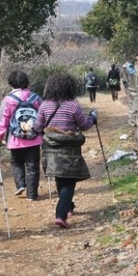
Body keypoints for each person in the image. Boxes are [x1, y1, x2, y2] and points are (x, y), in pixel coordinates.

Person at [35, 72, 97, 229]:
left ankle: (68, 207)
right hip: (70, 150)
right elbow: (84, 125)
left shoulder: (44, 105)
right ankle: (60, 215)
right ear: (69, 87)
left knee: (60, 178)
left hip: (51, 149)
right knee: (69, 182)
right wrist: (93, 118)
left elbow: (37, 127)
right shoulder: (73, 105)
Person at [0, 69, 42, 201]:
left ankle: (20, 184)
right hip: (34, 139)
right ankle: (32, 194)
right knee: (33, 166)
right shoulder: (35, 98)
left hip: (15, 139)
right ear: (26, 82)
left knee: (17, 163)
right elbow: (42, 116)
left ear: (11, 84)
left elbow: (2, 120)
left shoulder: (8, 100)